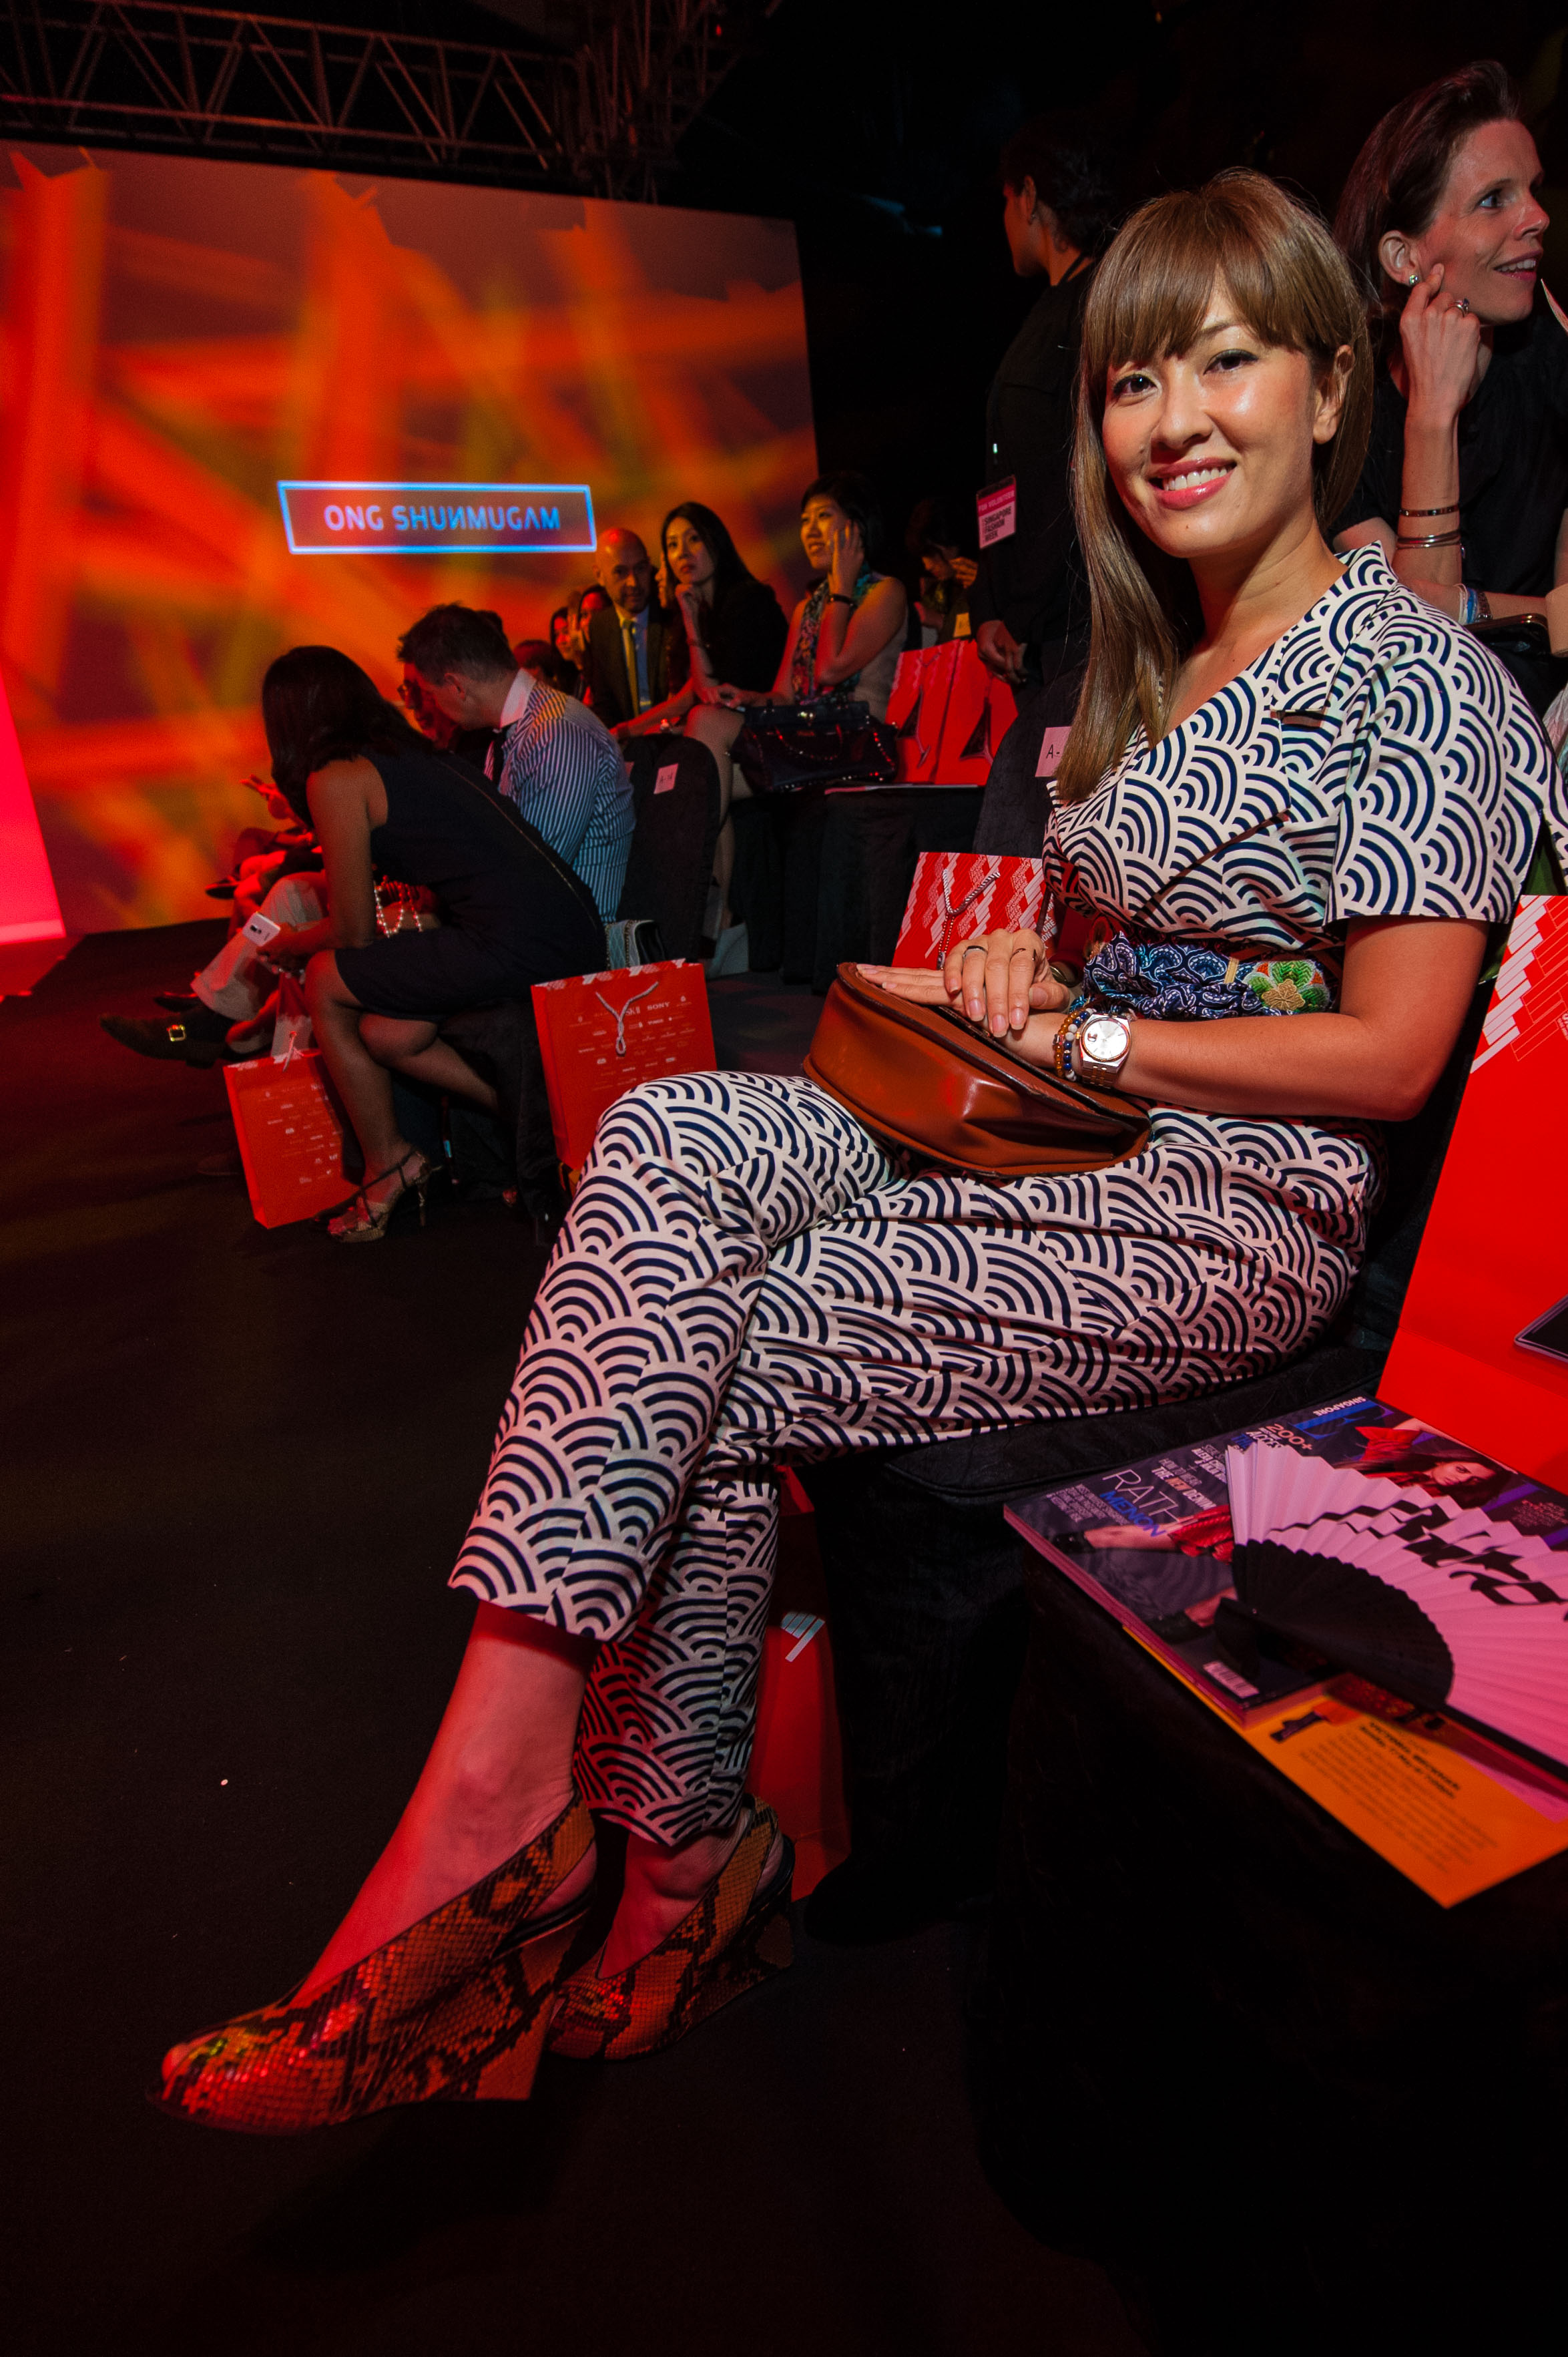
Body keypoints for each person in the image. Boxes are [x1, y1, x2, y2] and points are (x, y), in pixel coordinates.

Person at [156, 169, 1568, 2135]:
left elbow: (1395, 1055)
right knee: (669, 1141)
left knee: (711, 1343)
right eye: (1130, 379)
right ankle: (596, 1832)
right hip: (1049, 1126)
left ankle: (601, 1848)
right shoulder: (1144, 666)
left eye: (1225, 362)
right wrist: (1026, 959)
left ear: (1332, 386)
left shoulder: (1415, 673)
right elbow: (1094, 936)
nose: (1169, 419)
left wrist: (1089, 1024)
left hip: (1232, 1204)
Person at [224, 647, 603, 1243]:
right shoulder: (409, 753)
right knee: (388, 1034)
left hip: (520, 939)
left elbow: (351, 931)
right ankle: (537, 1120)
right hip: (561, 923)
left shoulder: (336, 777)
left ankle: (390, 1165)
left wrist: (293, 944)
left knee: (324, 977)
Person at [1332, 61, 1568, 702]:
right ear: (1404, 257)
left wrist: (1468, 605)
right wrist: (1432, 416)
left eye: (1532, 190)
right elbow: (1411, 647)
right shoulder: (1343, 413)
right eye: (1494, 200)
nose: (1538, 217)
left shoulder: (1549, 351)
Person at [686, 473, 907, 970]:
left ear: (856, 528)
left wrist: (842, 590)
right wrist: (746, 697)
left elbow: (830, 669)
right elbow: (786, 693)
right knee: (705, 733)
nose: (809, 530)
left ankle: (715, 924)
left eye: (823, 517)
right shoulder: (810, 604)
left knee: (709, 739)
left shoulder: (885, 592)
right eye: (804, 521)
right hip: (808, 739)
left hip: (856, 743)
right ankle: (719, 917)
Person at [970, 114, 1123, 693]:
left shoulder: (1101, 305)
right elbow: (1008, 476)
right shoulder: (1045, 311)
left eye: (1006, 201)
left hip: (1076, 629)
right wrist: (988, 604)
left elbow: (1077, 476)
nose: (1004, 220)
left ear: (1029, 195)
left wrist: (1023, 615)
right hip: (1035, 632)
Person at [398, 604, 633, 921]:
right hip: (535, 927)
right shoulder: (513, 733)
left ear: (456, 686)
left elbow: (532, 876)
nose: (434, 705)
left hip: (572, 938)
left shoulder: (556, 732)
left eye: (430, 693)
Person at [613, 501, 787, 740]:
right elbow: (688, 695)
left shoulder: (746, 600)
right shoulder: (706, 610)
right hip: (731, 727)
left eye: (694, 539)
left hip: (771, 728)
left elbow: (710, 695)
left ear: (716, 542)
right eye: (673, 545)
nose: (683, 552)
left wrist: (690, 619)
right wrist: (625, 730)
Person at [577, 528, 672, 730]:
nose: (633, 582)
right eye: (620, 572)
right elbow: (604, 703)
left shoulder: (670, 612)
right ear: (599, 576)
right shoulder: (600, 626)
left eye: (640, 569)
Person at [905, 494, 979, 643]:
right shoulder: (937, 593)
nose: (927, 565)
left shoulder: (987, 579)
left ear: (950, 543)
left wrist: (942, 622)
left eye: (931, 554)